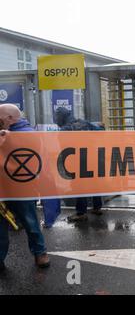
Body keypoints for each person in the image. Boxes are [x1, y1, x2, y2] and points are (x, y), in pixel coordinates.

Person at [0, 104, 50, 271]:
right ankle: (40, 254)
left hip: (19, 186)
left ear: (9, 118)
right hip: (16, 187)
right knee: (29, 221)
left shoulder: (25, 135)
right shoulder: (22, 133)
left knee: (28, 221)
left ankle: (40, 253)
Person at [54, 107, 103, 222]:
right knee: (94, 183)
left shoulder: (65, 130)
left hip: (77, 161)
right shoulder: (83, 122)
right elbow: (99, 131)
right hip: (92, 157)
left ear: (61, 118)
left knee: (79, 187)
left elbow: (65, 149)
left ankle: (81, 213)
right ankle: (97, 207)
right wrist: (99, 126)